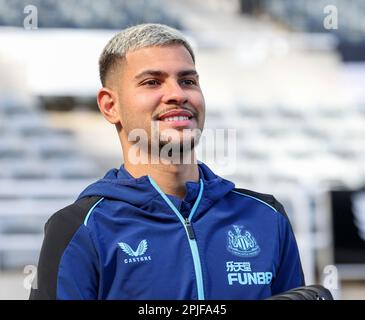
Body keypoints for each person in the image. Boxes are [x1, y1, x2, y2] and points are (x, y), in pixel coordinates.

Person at [30, 23, 304, 300]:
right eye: (152, 82)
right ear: (110, 106)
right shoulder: (79, 228)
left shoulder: (266, 216)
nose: (178, 94)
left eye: (188, 81)